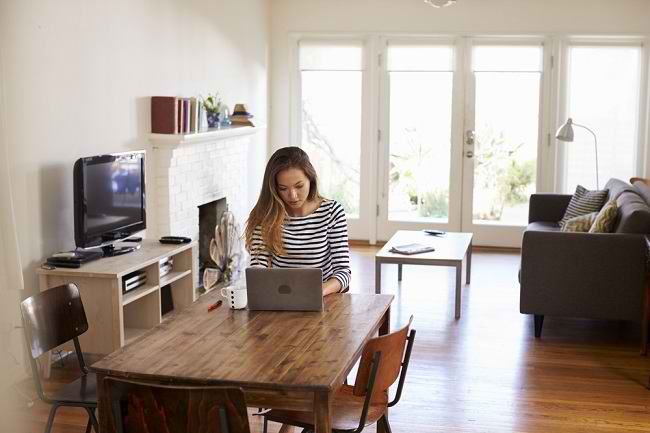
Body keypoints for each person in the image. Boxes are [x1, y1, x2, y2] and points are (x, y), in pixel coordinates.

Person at [244, 146, 351, 296]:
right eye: (283, 188)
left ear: (310, 179)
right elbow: (258, 268)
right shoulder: (265, 216)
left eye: (299, 186)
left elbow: (343, 272)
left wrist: (318, 291)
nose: (292, 196)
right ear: (274, 188)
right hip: (279, 298)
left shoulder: (332, 212)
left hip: (322, 300)